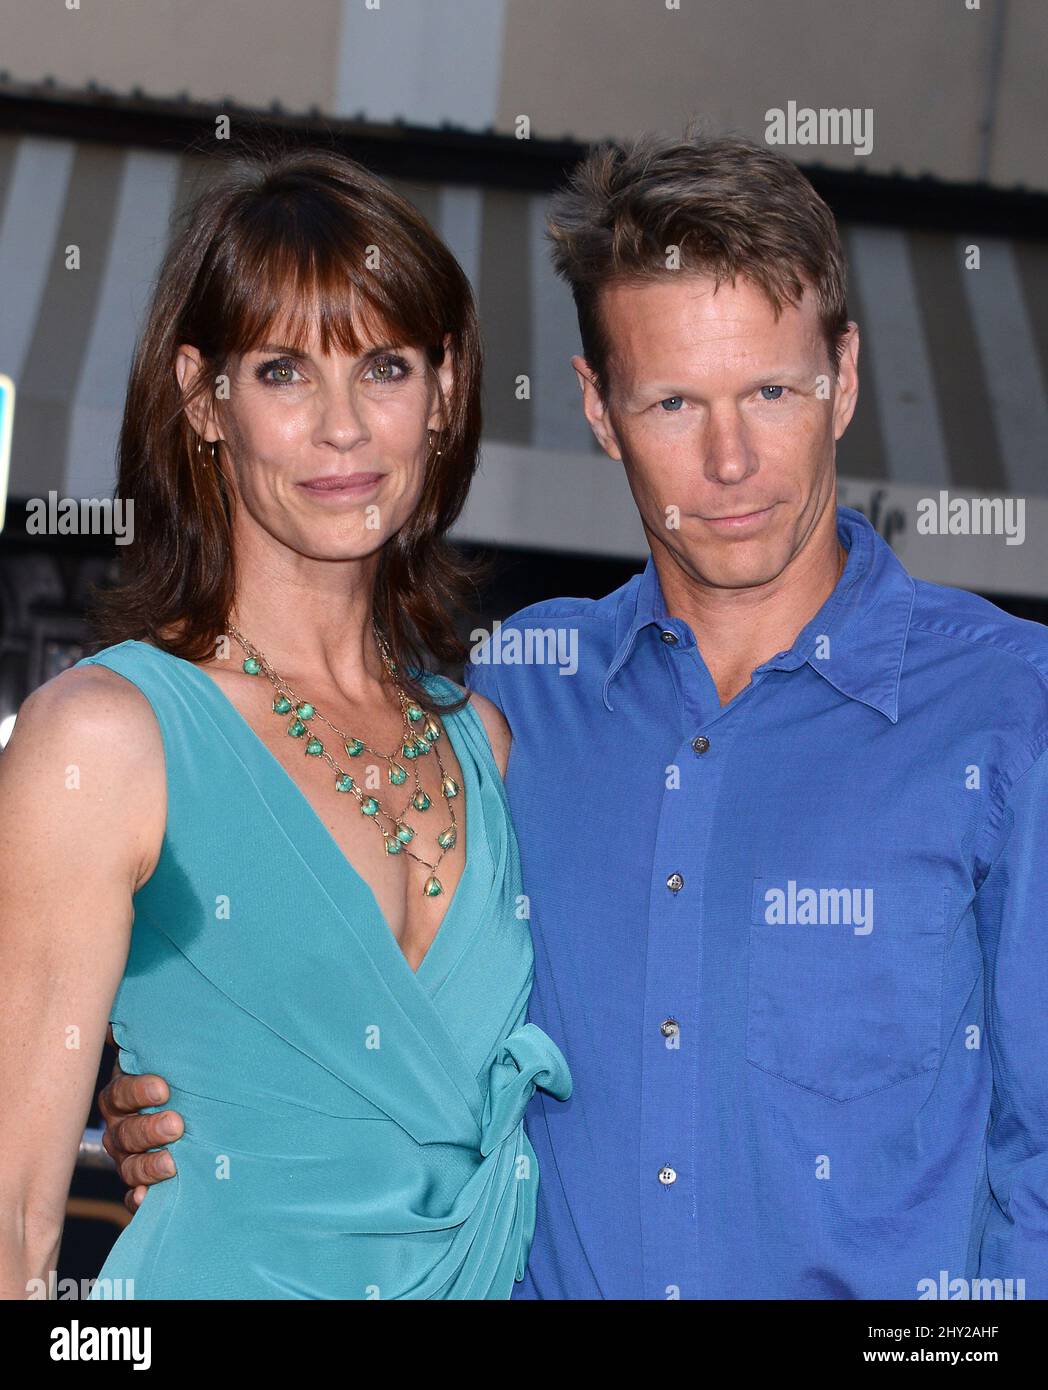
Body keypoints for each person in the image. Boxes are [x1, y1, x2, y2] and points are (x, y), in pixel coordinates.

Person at [100, 132, 1048, 1300]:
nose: (731, 459)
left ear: (843, 378)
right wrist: (191, 1106)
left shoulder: (1009, 714)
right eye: (671, 402)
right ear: (598, 408)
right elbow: (352, 1017)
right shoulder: (501, 708)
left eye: (770, 390)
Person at [0, 142, 570, 1301]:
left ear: (448, 390)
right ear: (204, 399)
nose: (344, 428)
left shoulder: (489, 746)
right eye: (284, 373)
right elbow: (12, 1220)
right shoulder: (105, 740)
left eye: (386, 366)